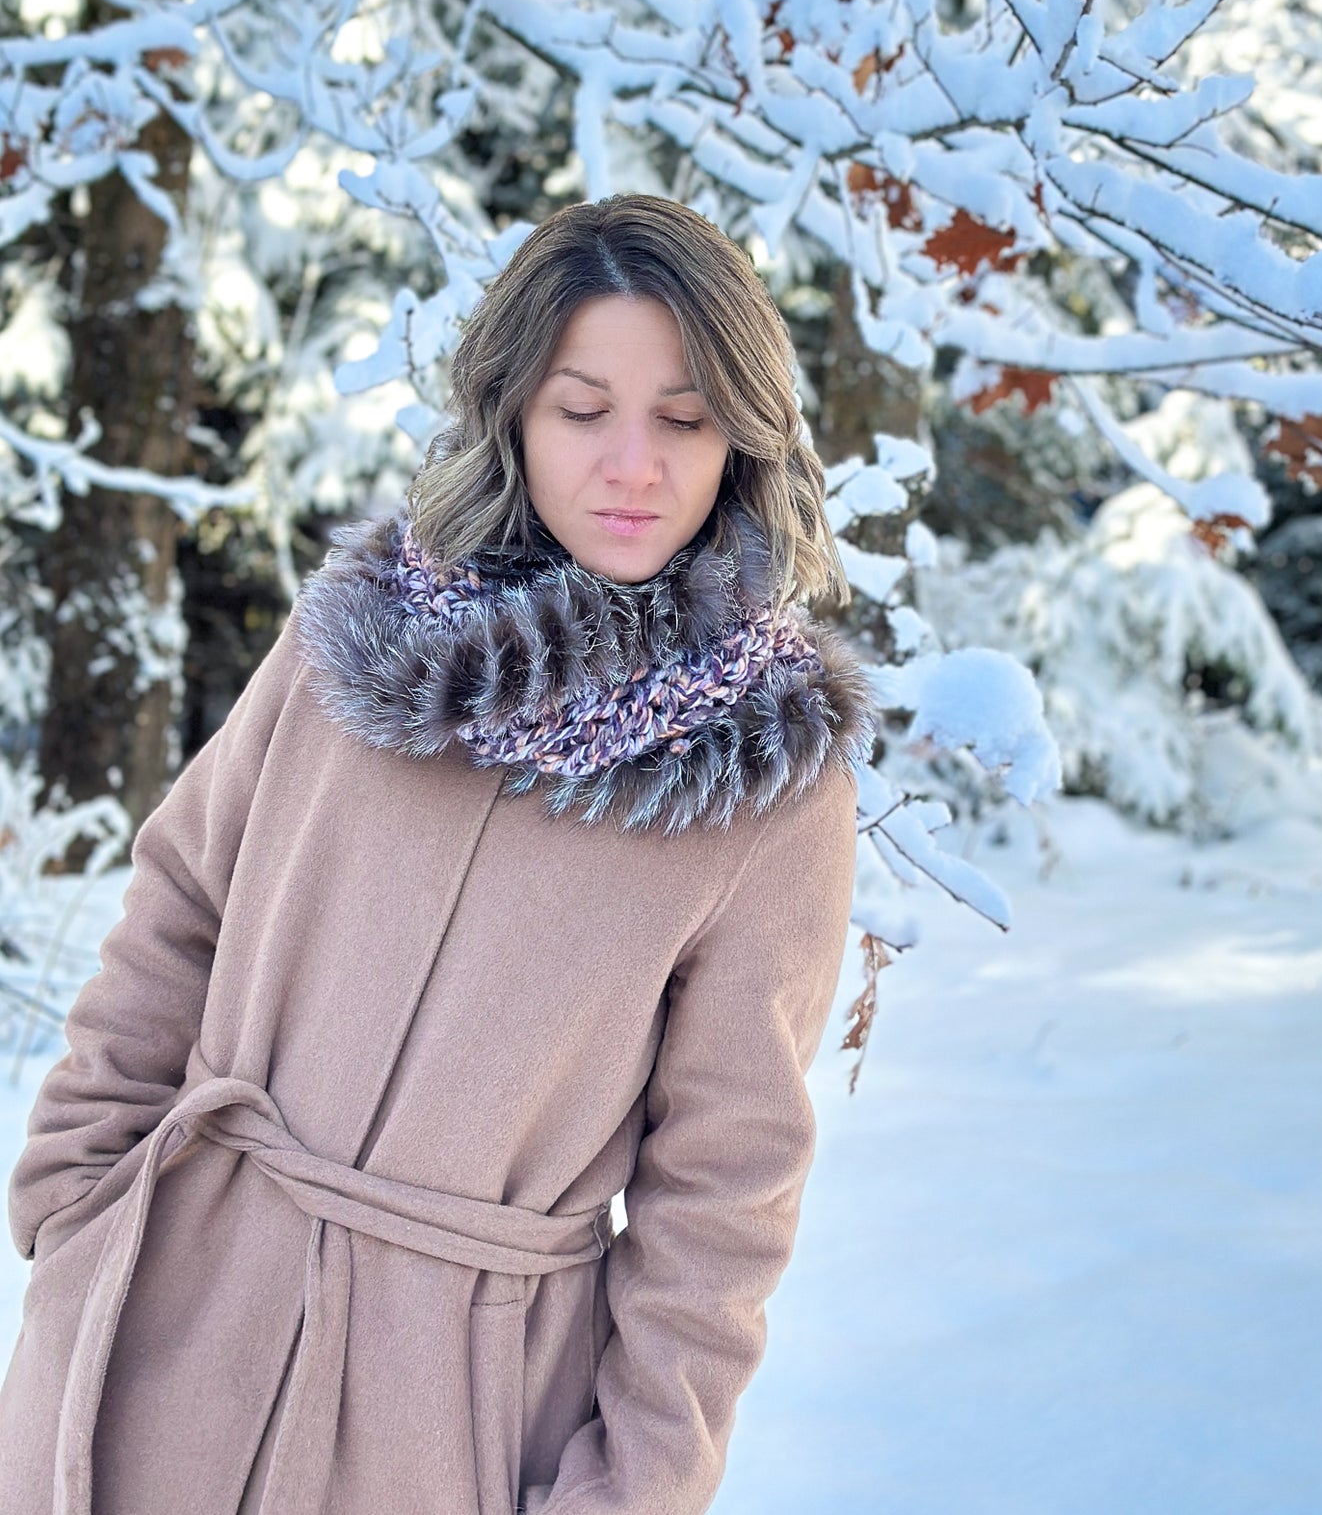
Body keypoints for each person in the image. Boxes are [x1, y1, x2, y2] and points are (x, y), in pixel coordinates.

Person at [0, 195, 878, 1515]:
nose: (632, 464)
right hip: (166, 1323)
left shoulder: (765, 782)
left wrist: (631, 1489)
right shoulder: (356, 641)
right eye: (584, 410)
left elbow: (723, 1195)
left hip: (454, 1422)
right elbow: (185, 894)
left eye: (683, 418)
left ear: (742, 436)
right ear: (514, 409)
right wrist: (78, 1183)